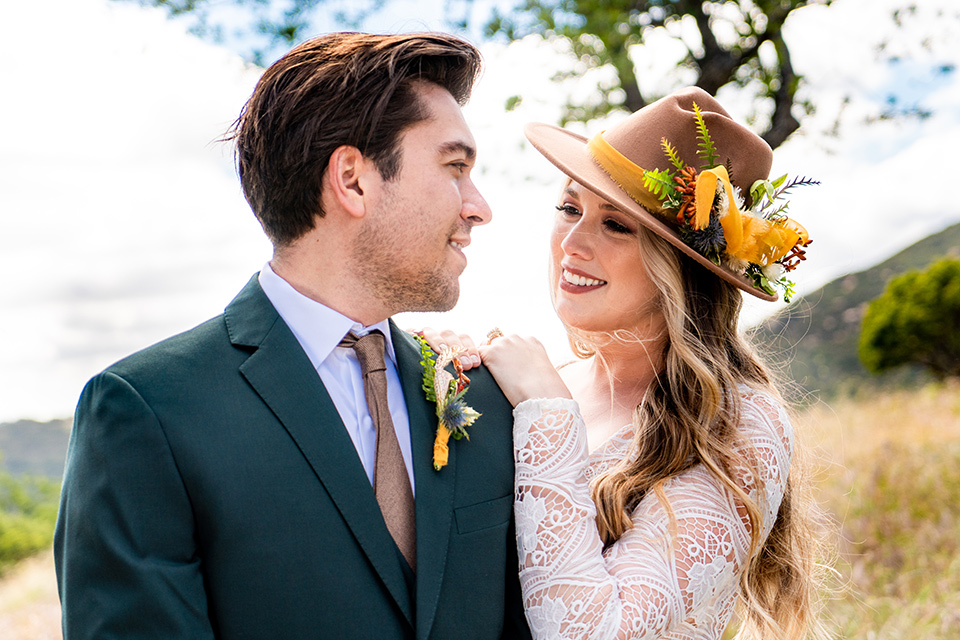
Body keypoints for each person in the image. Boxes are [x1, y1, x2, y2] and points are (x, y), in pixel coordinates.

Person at [54, 32, 531, 640]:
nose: (479, 206)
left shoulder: (485, 397)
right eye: (455, 167)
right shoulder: (148, 411)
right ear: (353, 180)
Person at [422, 87, 826, 639]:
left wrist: (547, 411)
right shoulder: (539, 381)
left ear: (680, 268)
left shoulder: (735, 423)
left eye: (616, 225)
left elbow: (595, 632)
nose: (573, 243)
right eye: (569, 208)